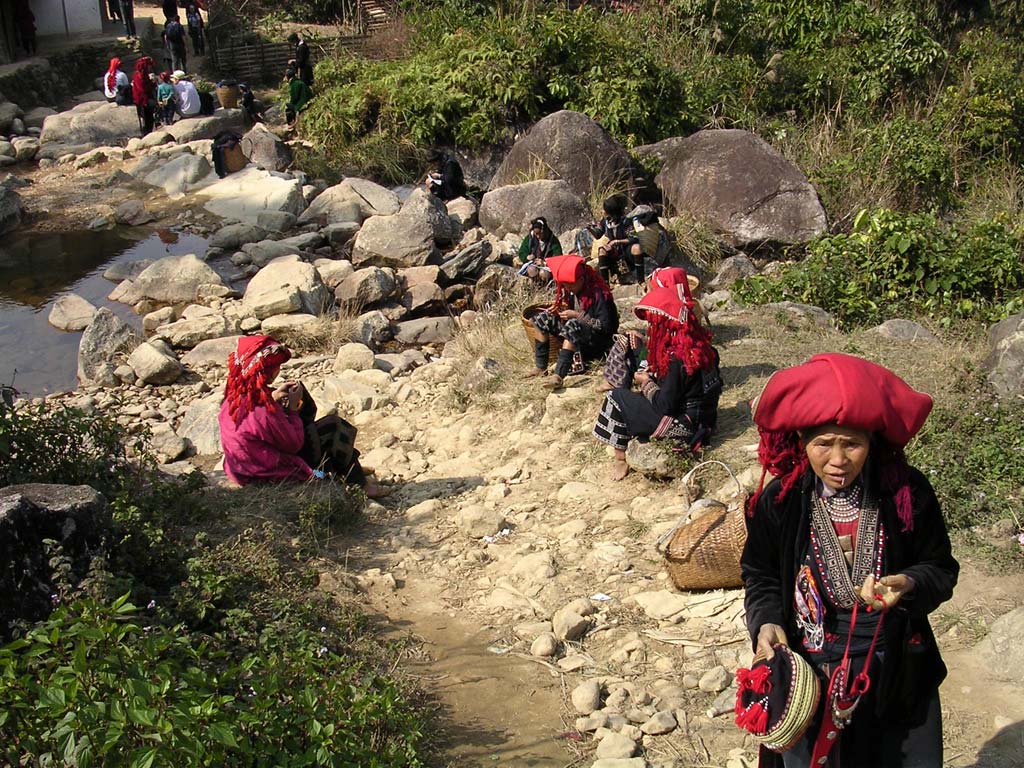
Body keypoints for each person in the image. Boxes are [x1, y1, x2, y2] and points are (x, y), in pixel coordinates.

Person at [741, 353, 958, 768]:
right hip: (810, 669)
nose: (838, 460)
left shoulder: (904, 494)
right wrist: (766, 621)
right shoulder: (781, 500)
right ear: (802, 441)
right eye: (823, 443)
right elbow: (761, 573)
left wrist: (910, 583)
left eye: (852, 444)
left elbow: (941, 568)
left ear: (871, 444)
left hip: (892, 666)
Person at [219, 336, 384, 496]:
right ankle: (357, 482)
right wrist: (291, 408)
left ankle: (348, 467)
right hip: (270, 472)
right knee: (334, 427)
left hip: (243, 468)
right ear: (267, 370)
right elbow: (294, 445)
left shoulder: (233, 398)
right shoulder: (264, 412)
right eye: (276, 367)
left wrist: (274, 396)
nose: (278, 370)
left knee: (317, 425)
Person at [593, 280, 722, 480]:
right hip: (707, 420)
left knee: (615, 398)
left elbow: (665, 406)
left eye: (653, 323)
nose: (650, 327)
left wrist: (646, 382)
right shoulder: (702, 346)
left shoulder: (677, 359)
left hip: (686, 427)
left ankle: (620, 459)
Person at [599, 267, 703, 393]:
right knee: (631, 337)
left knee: (626, 340)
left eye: (652, 289)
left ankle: (619, 385)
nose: (649, 293)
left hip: (666, 373)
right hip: (667, 366)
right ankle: (619, 382)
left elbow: (669, 353)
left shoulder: (674, 318)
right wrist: (644, 339)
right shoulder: (684, 310)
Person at [526, 253, 619, 389]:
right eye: (565, 284)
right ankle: (541, 367)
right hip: (578, 335)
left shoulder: (600, 295)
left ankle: (558, 375)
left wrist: (577, 315)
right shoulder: (571, 292)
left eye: (570, 284)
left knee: (572, 325)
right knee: (541, 319)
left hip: (597, 342)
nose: (567, 288)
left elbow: (605, 327)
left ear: (581, 279)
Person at [587, 195, 635, 285]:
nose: (603, 211)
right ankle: (605, 283)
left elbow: (633, 238)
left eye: (604, 210)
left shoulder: (625, 222)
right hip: (613, 251)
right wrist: (590, 229)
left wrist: (617, 242)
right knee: (602, 250)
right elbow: (598, 235)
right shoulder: (605, 221)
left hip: (625, 251)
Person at [626, 204, 671, 282]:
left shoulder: (644, 230)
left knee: (634, 248)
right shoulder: (660, 230)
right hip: (660, 265)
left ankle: (640, 280)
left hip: (649, 266)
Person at [517, 217, 562, 285]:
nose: (538, 236)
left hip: (547, 268)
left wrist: (544, 263)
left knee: (544, 273)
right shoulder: (530, 238)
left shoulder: (553, 240)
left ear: (544, 230)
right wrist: (527, 257)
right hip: (533, 265)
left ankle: (545, 286)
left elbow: (558, 257)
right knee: (532, 270)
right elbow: (522, 252)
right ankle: (535, 286)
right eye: (536, 233)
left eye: (540, 233)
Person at [131, 57, 157, 137]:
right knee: (147, 118)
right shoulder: (139, 76)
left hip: (144, 98)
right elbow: (142, 89)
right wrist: (152, 84)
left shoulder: (141, 75)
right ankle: (147, 133)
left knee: (148, 117)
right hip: (142, 100)